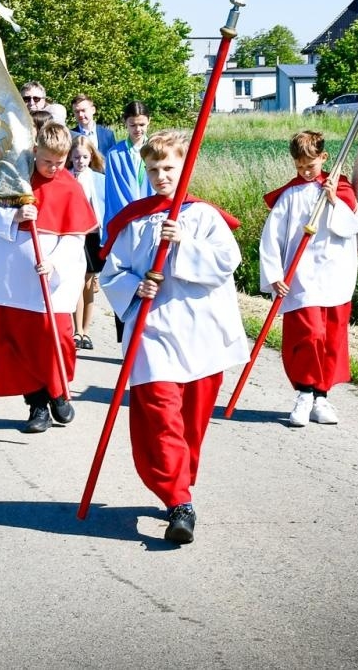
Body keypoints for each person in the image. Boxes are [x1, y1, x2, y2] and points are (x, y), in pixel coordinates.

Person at [98, 129, 247, 546]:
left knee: (191, 423)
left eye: (168, 168)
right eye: (152, 169)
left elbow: (225, 263)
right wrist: (135, 287)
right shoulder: (135, 219)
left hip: (200, 333)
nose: (160, 176)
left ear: (184, 167)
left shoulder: (202, 216)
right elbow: (112, 273)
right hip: (153, 335)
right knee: (160, 416)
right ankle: (179, 502)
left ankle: (180, 482)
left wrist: (185, 244)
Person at [0, 122, 95, 433]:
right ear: (34, 152)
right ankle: (37, 405)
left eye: (60, 162)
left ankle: (58, 390)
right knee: (21, 345)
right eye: (47, 161)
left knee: (57, 340)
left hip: (51, 284)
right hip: (13, 282)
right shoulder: (14, 179)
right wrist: (13, 216)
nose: (54, 168)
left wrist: (54, 262)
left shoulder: (70, 186)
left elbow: (75, 236)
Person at [258, 129, 358, 427]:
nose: (305, 172)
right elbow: (271, 238)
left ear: (323, 158)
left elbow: (351, 226)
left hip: (334, 276)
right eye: (300, 167)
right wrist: (275, 275)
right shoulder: (290, 195)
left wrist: (333, 200)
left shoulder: (340, 189)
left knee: (330, 338)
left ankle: (322, 397)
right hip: (301, 278)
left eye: (311, 166)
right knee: (308, 335)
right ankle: (304, 394)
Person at [67, 133, 106, 350]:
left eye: (84, 157)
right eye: (76, 157)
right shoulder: (67, 178)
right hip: (74, 235)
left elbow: (105, 208)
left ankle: (86, 330)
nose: (80, 161)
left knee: (89, 283)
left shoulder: (99, 180)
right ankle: (77, 330)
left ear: (91, 156)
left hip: (93, 236)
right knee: (77, 281)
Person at [103, 100, 154, 226]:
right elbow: (114, 192)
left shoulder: (156, 150)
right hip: (126, 218)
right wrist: (132, 215)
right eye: (133, 125)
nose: (138, 129)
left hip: (152, 215)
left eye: (142, 125)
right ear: (125, 122)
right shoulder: (114, 154)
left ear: (149, 121)